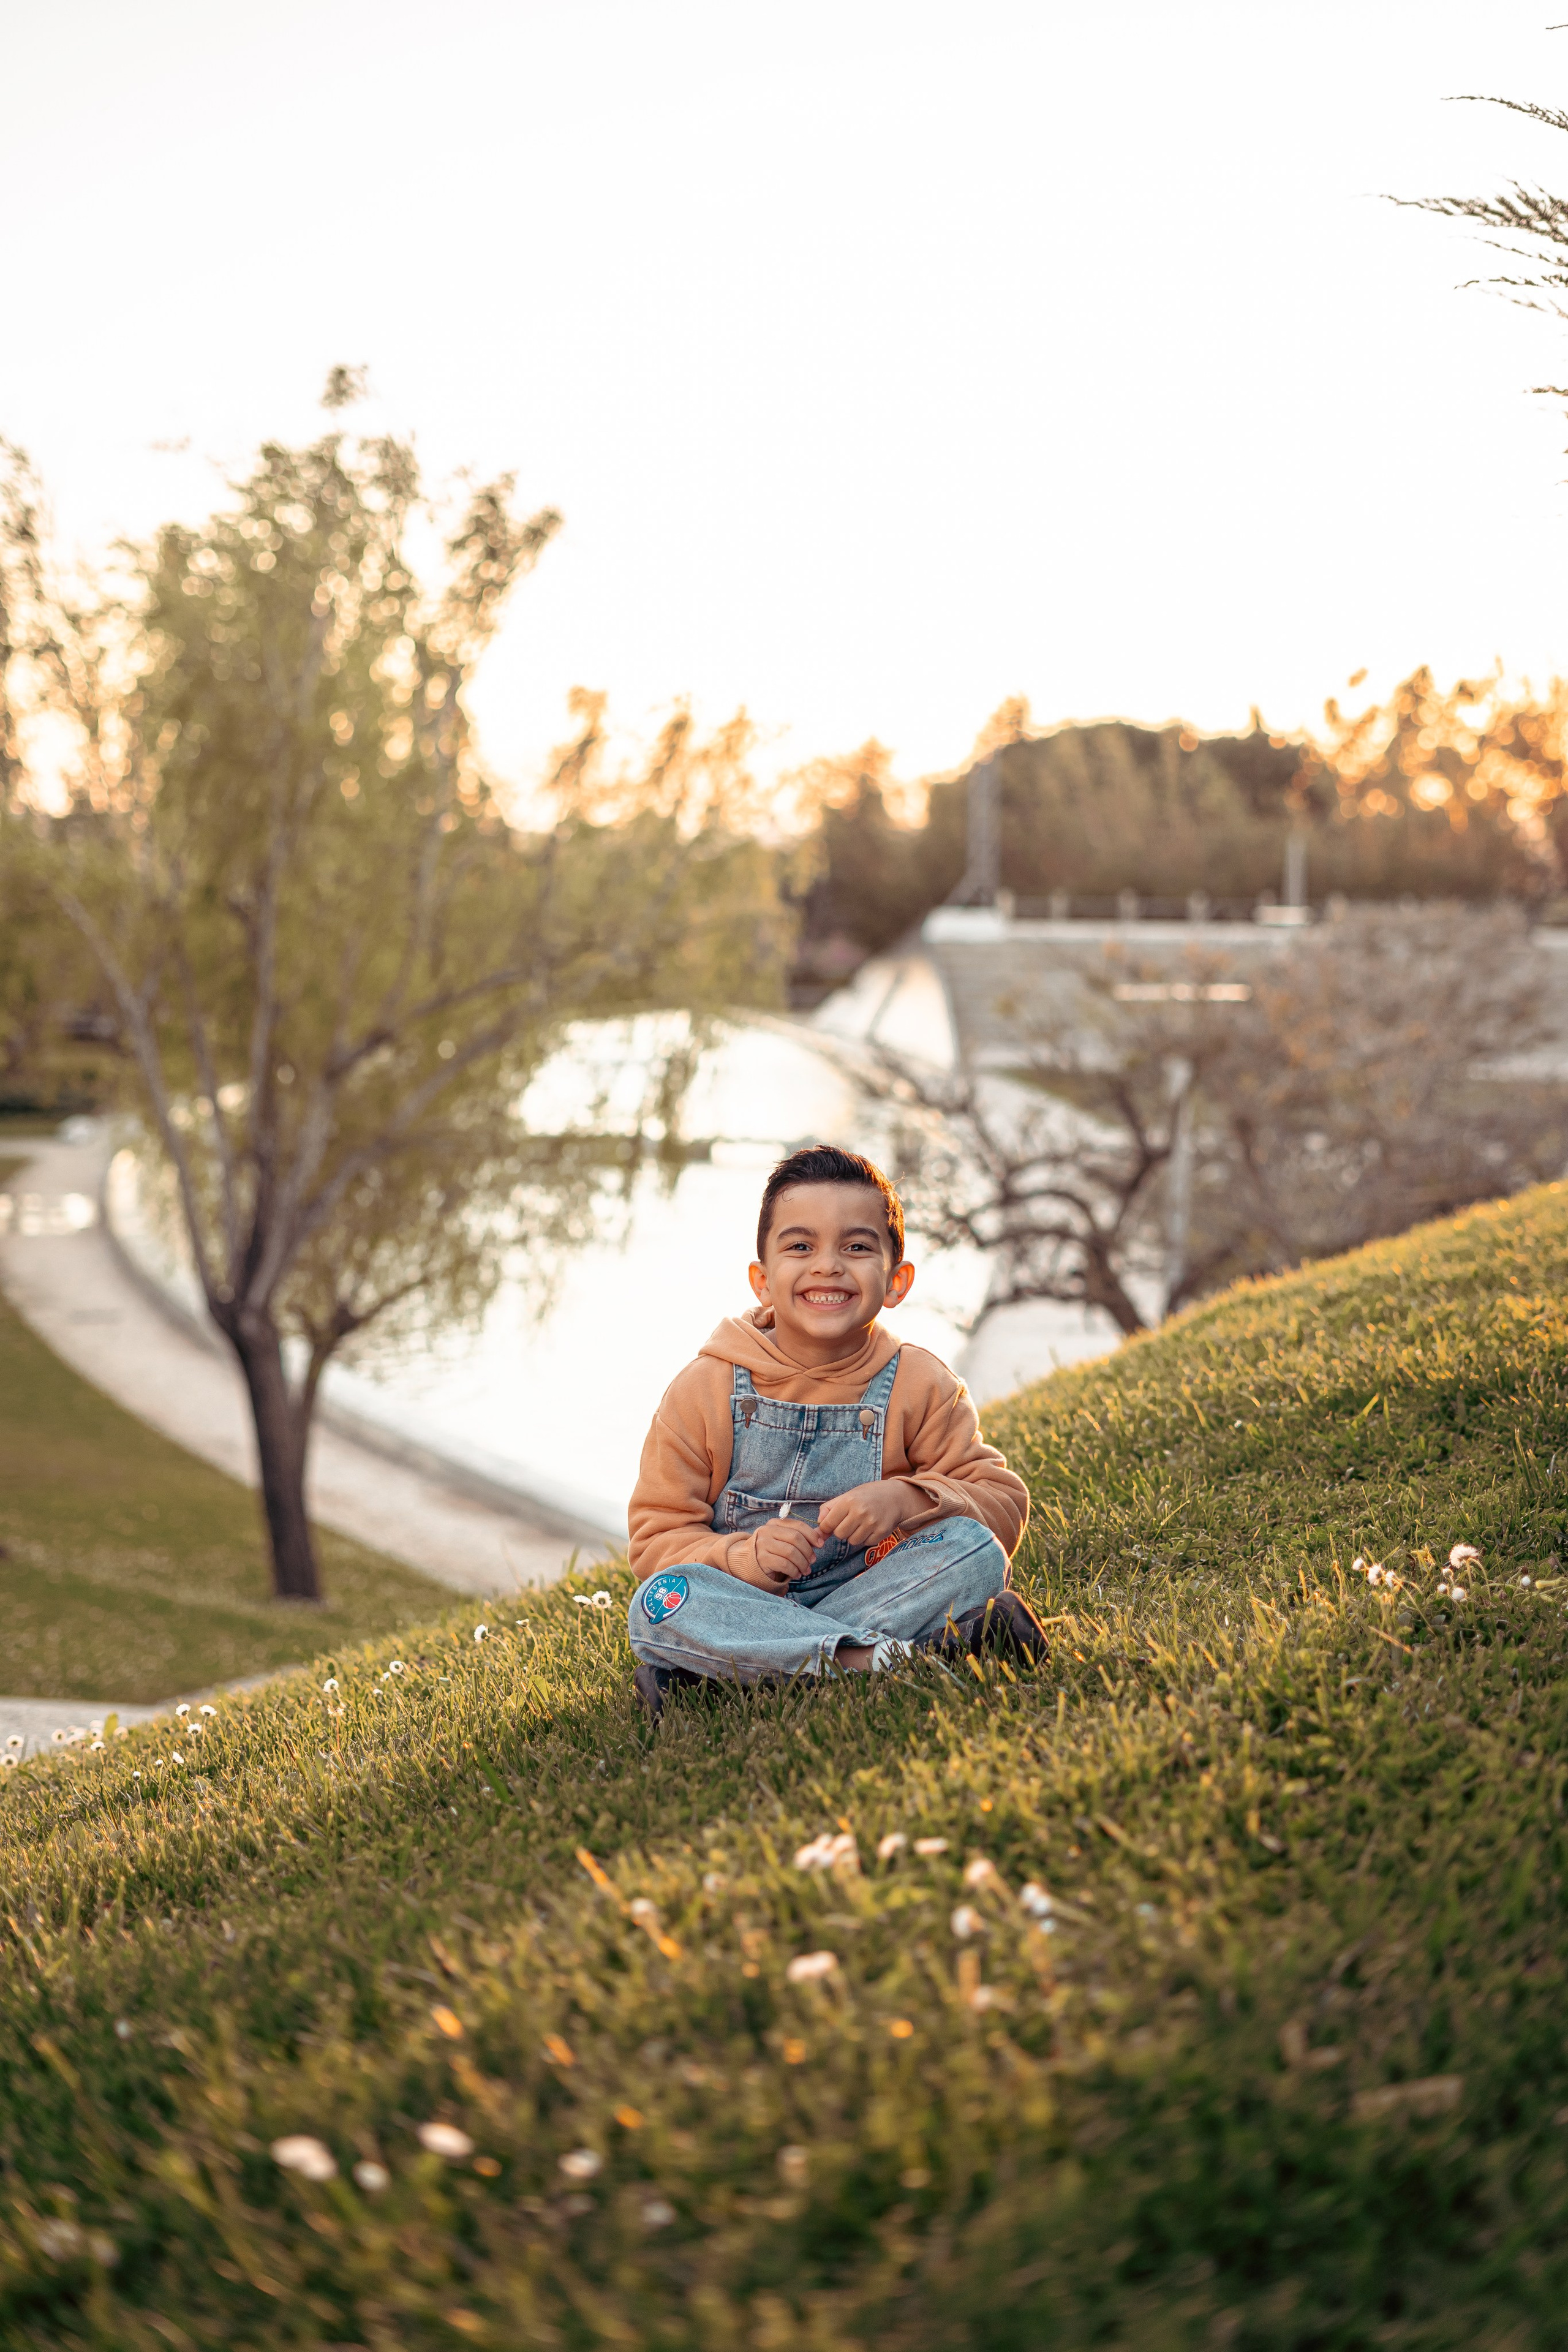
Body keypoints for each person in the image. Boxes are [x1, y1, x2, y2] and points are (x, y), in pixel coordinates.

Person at [625, 1142, 1047, 1719]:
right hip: (742, 1602)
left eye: (856, 1246)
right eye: (801, 1246)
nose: (828, 1265)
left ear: (897, 1281)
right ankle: (907, 1658)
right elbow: (656, 1542)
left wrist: (908, 1497)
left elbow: (1002, 1503)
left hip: (875, 1591)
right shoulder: (705, 1388)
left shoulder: (920, 1383)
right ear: (762, 1279)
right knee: (657, 1605)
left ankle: (731, 1678)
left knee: (973, 1551)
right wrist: (744, 1556)